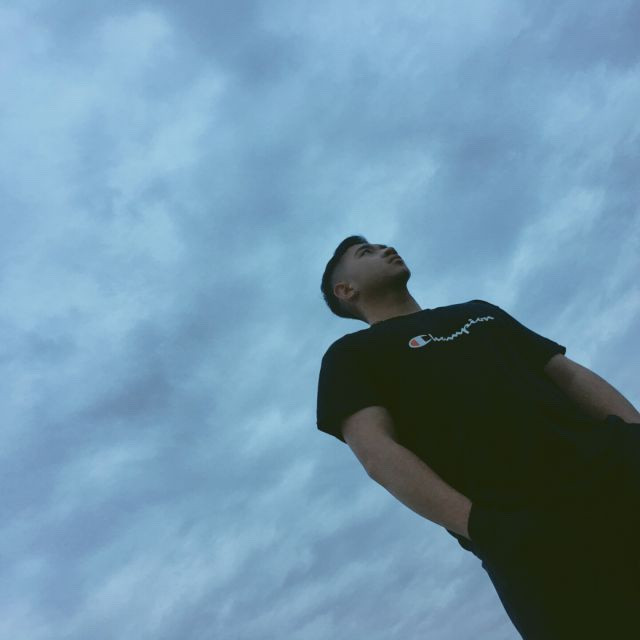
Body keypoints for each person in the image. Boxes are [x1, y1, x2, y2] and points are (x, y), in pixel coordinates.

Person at [315, 234, 640, 639]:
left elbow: (568, 375)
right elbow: (376, 451)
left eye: (381, 245)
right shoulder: (350, 356)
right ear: (346, 290)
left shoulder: (478, 312)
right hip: (531, 533)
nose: (385, 249)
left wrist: (634, 436)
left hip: (619, 477)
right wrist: (483, 527)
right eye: (367, 252)